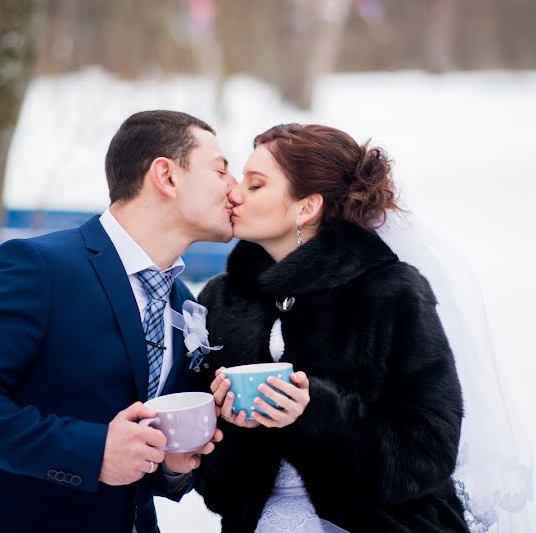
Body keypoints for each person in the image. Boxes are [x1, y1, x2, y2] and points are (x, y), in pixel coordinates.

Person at [0, 110, 235, 533]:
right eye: (220, 171)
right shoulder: (37, 267)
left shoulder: (182, 299)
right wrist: (92, 451)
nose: (235, 190)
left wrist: (171, 464)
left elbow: (140, 440)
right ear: (167, 176)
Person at [193, 123, 470, 532]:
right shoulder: (222, 299)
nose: (234, 192)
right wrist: (231, 425)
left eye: (255, 185)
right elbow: (216, 490)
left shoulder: (390, 291)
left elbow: (429, 451)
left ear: (307, 207)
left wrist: (318, 414)